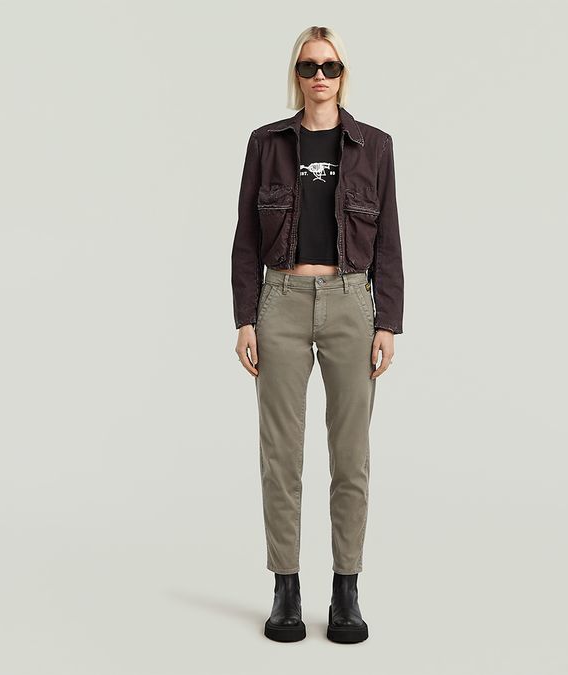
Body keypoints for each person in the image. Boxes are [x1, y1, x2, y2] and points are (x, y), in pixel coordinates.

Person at [228, 25, 404, 645]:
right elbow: (245, 236)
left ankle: (346, 589)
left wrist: (388, 321)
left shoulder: (375, 146)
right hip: (280, 301)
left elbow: (389, 240)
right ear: (296, 74)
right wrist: (245, 317)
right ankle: (286, 589)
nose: (320, 76)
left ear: (343, 74)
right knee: (281, 454)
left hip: (352, 303)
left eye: (329, 66)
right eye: (308, 66)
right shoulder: (267, 143)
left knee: (350, 455)